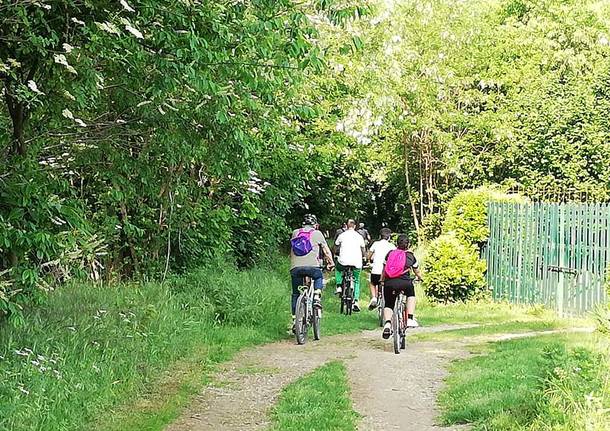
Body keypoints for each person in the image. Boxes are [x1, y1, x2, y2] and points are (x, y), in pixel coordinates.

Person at [290, 214, 334, 330]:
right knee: (318, 277)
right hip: (313, 267)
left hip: (296, 268)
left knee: (295, 293)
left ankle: (295, 320)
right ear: (315, 225)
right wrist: (331, 263)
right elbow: (326, 251)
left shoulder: (295, 233)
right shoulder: (317, 234)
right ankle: (316, 296)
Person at [380, 234, 422, 338]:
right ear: (408, 245)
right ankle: (410, 318)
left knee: (389, 304)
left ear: (396, 244)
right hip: (405, 283)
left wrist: (382, 280)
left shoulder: (390, 254)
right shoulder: (410, 255)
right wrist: (420, 277)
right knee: (411, 295)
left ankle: (388, 324)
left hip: (389, 283)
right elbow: (416, 270)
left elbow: (384, 269)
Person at [334, 219, 366, 312]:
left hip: (343, 261)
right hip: (356, 262)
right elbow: (363, 249)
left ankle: (339, 285)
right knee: (356, 280)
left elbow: (336, 246)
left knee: (338, 269)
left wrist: (336, 254)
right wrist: (364, 257)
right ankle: (356, 301)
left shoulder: (342, 235)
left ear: (346, 226)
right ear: (355, 226)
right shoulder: (359, 236)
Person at [367, 228, 396, 310]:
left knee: (372, 283)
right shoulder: (392, 246)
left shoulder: (376, 244)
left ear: (380, 236)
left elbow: (368, 255)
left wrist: (368, 260)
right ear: (389, 237)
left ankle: (374, 298)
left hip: (376, 271)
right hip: (387, 272)